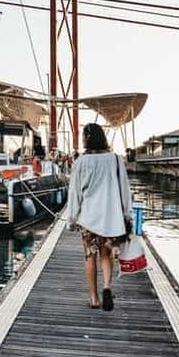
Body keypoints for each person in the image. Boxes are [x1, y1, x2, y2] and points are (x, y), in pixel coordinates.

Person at [66, 123, 132, 311]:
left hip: (88, 218)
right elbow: (124, 190)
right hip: (111, 218)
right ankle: (107, 287)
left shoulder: (81, 162)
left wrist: (71, 220)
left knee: (90, 256)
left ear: (86, 139)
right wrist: (127, 215)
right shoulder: (115, 160)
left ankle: (94, 298)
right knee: (106, 253)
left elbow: (75, 194)